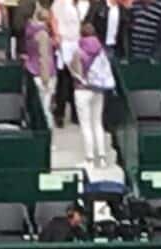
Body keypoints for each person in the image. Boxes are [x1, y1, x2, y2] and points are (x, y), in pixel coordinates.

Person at [70, 23, 113, 166]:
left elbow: (76, 72)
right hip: (98, 89)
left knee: (86, 125)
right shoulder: (102, 51)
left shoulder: (78, 51)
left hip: (82, 90)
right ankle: (102, 157)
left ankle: (89, 158)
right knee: (97, 123)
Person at [53, 0, 91, 126]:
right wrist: (57, 35)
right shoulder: (61, 2)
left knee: (76, 78)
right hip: (65, 42)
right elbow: (53, 18)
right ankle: (60, 113)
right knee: (64, 79)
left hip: (77, 43)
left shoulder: (83, 4)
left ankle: (75, 114)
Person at [25, 9, 58, 128]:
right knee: (46, 110)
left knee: (37, 108)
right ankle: (48, 137)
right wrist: (46, 78)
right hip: (43, 74)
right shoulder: (43, 34)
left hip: (32, 70)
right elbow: (44, 57)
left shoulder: (29, 30)